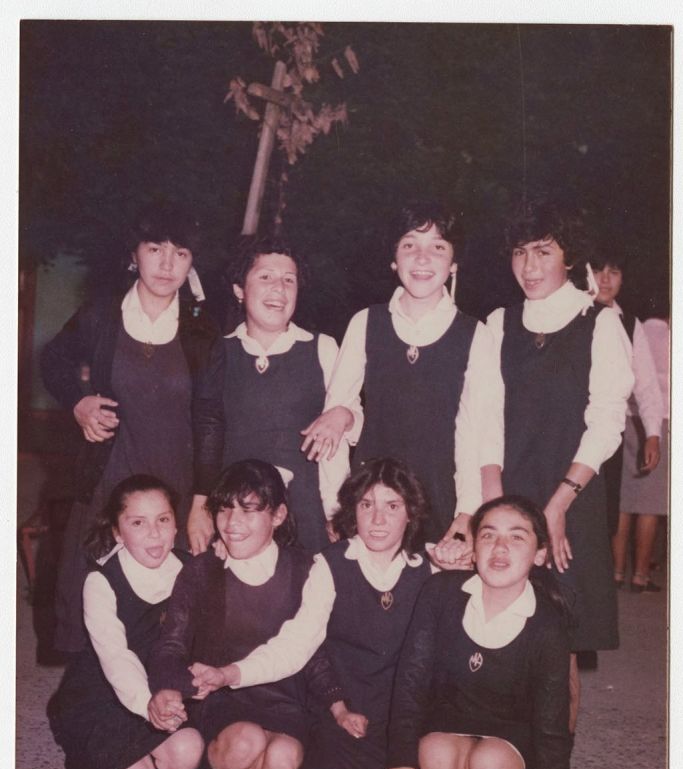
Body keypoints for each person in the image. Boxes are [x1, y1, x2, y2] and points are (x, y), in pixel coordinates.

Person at [363, 496, 574, 769]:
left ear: (540, 554)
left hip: (512, 735)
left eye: (517, 537)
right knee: (433, 760)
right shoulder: (440, 592)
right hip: (453, 720)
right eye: (489, 536)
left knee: (490, 768)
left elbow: (552, 735)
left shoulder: (547, 625)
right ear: (473, 547)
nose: (500, 548)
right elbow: (410, 683)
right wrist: (401, 764)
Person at [474, 201, 634, 728]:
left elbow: (607, 423)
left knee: (557, 648)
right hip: (509, 500)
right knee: (499, 640)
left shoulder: (600, 323)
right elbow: (485, 419)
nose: (529, 265)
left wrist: (559, 505)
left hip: (570, 499)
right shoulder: (498, 323)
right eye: (520, 252)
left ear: (569, 258)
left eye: (544, 251)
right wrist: (495, 510)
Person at [226, 458, 437, 769]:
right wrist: (234, 673)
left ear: (411, 512)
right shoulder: (330, 564)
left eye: (392, 506)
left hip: (396, 728)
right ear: (353, 511)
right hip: (334, 715)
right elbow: (299, 644)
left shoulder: (429, 572)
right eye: (367, 505)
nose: (377, 519)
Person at [41, 201, 220, 654]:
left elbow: (209, 418)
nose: (167, 264)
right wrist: (79, 403)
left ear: (191, 264)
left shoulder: (201, 329)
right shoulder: (103, 315)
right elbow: (54, 359)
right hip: (110, 475)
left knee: (169, 616)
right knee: (94, 595)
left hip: (175, 485)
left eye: (180, 253)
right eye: (155, 249)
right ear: (134, 254)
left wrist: (201, 502)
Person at [146, 460, 338, 769]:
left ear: (278, 515)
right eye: (224, 508)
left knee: (281, 764)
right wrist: (172, 686)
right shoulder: (202, 570)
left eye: (249, 511)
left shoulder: (308, 570)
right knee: (245, 741)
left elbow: (307, 649)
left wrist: (335, 702)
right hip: (221, 699)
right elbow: (171, 645)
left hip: (284, 697)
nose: (232, 523)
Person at [301, 201, 487, 547]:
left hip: (439, 508)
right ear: (393, 260)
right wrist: (337, 508)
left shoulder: (475, 334)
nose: (422, 258)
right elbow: (334, 424)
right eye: (409, 245)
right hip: (371, 508)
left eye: (437, 247)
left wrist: (467, 513)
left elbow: (474, 433)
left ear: (453, 264)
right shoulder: (365, 323)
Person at [47, 475, 204, 769]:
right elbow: (116, 658)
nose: (154, 534)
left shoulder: (188, 570)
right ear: (118, 533)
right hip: (106, 693)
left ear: (176, 524)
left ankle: (135, 763)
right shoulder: (102, 581)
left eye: (162, 519)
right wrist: (149, 705)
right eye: (137, 523)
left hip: (161, 687)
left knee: (187, 754)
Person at [187, 236, 361, 555]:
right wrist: (206, 509)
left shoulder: (322, 348)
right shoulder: (218, 351)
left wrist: (338, 512)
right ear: (239, 290)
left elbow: (348, 426)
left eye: (288, 280)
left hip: (305, 515)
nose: (279, 289)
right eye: (265, 277)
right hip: (237, 521)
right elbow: (207, 436)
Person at [589, 250, 667, 593]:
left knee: (606, 513)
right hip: (567, 432)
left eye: (614, 271)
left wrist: (653, 434)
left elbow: (646, 385)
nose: (605, 279)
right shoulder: (571, 314)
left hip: (609, 437)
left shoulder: (630, 324)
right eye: (598, 270)